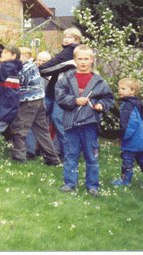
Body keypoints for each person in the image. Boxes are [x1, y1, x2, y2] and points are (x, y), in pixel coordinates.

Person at [56, 44, 114, 196]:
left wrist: (101, 105)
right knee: (70, 155)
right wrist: (75, 101)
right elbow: (60, 97)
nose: (83, 62)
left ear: (92, 60)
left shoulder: (99, 81)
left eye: (86, 59)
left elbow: (108, 98)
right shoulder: (66, 79)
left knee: (91, 156)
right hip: (71, 124)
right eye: (80, 59)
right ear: (74, 60)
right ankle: (70, 183)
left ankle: (92, 185)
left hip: (90, 124)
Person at [9, 48, 60, 165]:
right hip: (39, 101)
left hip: (29, 101)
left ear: (26, 56)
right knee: (42, 131)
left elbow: (17, 81)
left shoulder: (26, 67)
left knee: (18, 128)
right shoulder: (31, 66)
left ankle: (19, 159)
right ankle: (52, 159)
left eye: (17, 55)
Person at [38, 27, 82, 160]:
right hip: (53, 91)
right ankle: (53, 151)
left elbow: (53, 64)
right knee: (44, 119)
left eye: (69, 37)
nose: (66, 39)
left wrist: (37, 69)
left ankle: (69, 152)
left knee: (57, 120)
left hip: (62, 93)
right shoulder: (66, 51)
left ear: (76, 40)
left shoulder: (72, 51)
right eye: (64, 37)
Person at [111, 78, 143, 188]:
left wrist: (123, 136)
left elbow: (129, 124)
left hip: (132, 141)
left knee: (127, 162)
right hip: (142, 140)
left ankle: (125, 181)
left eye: (123, 88)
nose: (120, 90)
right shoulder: (139, 104)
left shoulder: (127, 106)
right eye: (119, 88)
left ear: (132, 91)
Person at [26, 51, 54, 159]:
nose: (40, 62)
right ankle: (31, 150)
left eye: (44, 61)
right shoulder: (31, 70)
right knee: (32, 125)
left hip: (46, 102)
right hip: (33, 101)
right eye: (39, 59)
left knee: (43, 127)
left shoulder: (52, 73)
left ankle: (41, 150)